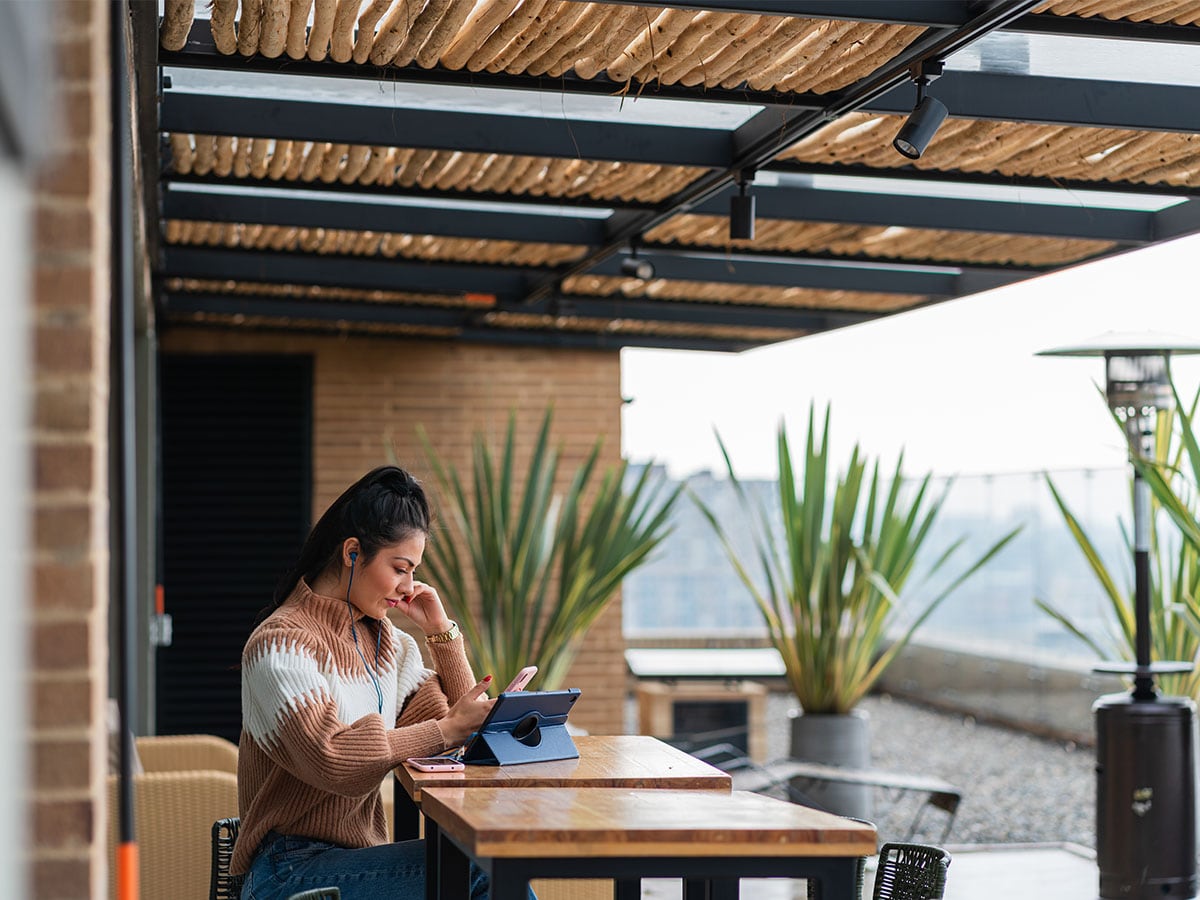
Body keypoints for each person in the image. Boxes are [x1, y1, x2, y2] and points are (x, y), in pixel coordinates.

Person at [233, 465, 509, 900]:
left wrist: (440, 631)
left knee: (483, 861)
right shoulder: (279, 645)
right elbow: (333, 760)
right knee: (480, 869)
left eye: (414, 571)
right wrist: (446, 729)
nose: (408, 587)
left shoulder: (388, 645)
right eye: (400, 568)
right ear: (352, 553)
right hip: (285, 873)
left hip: (355, 860)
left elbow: (461, 727)